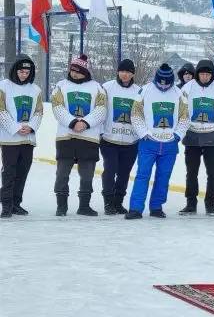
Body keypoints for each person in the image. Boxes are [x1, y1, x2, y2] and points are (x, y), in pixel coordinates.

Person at [125, 64, 190, 220]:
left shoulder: (179, 94)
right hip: (149, 142)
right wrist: (143, 133)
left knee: (163, 176)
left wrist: (177, 135)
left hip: (169, 143)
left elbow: (185, 117)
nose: (163, 85)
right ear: (156, 79)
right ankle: (135, 208)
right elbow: (135, 114)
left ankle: (156, 207)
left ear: (171, 81)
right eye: (160, 82)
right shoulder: (145, 90)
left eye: (166, 82)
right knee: (142, 175)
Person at [51, 54, 107, 217]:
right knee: (62, 174)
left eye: (78, 71)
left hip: (89, 138)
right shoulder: (61, 86)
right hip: (66, 137)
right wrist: (73, 122)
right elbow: (57, 107)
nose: (74, 74)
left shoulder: (97, 87)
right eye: (72, 70)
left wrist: (85, 123)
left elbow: (101, 109)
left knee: (87, 175)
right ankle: (61, 206)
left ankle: (84, 205)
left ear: (85, 72)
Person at [179, 59, 214, 216]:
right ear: (197, 74)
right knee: (191, 172)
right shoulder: (187, 88)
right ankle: (191, 203)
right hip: (192, 136)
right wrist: (184, 130)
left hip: (212, 137)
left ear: (212, 75)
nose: (205, 77)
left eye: (208, 74)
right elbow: (180, 110)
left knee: (212, 173)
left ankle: (210, 204)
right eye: (202, 74)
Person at [0, 55, 44, 218]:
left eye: (27, 72)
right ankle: (6, 205)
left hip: (28, 139)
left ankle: (16, 203)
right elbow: (1, 110)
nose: (24, 74)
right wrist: (16, 127)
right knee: (9, 172)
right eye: (21, 71)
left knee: (22, 171)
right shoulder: (3, 87)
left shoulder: (36, 90)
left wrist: (31, 127)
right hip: (9, 138)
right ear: (15, 70)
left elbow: (39, 112)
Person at [100, 59, 142, 215]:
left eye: (129, 72)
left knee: (124, 173)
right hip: (109, 140)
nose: (125, 74)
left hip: (131, 142)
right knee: (110, 170)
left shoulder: (139, 91)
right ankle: (108, 202)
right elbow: (100, 110)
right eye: (123, 71)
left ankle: (118, 202)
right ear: (118, 71)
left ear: (133, 74)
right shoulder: (106, 87)